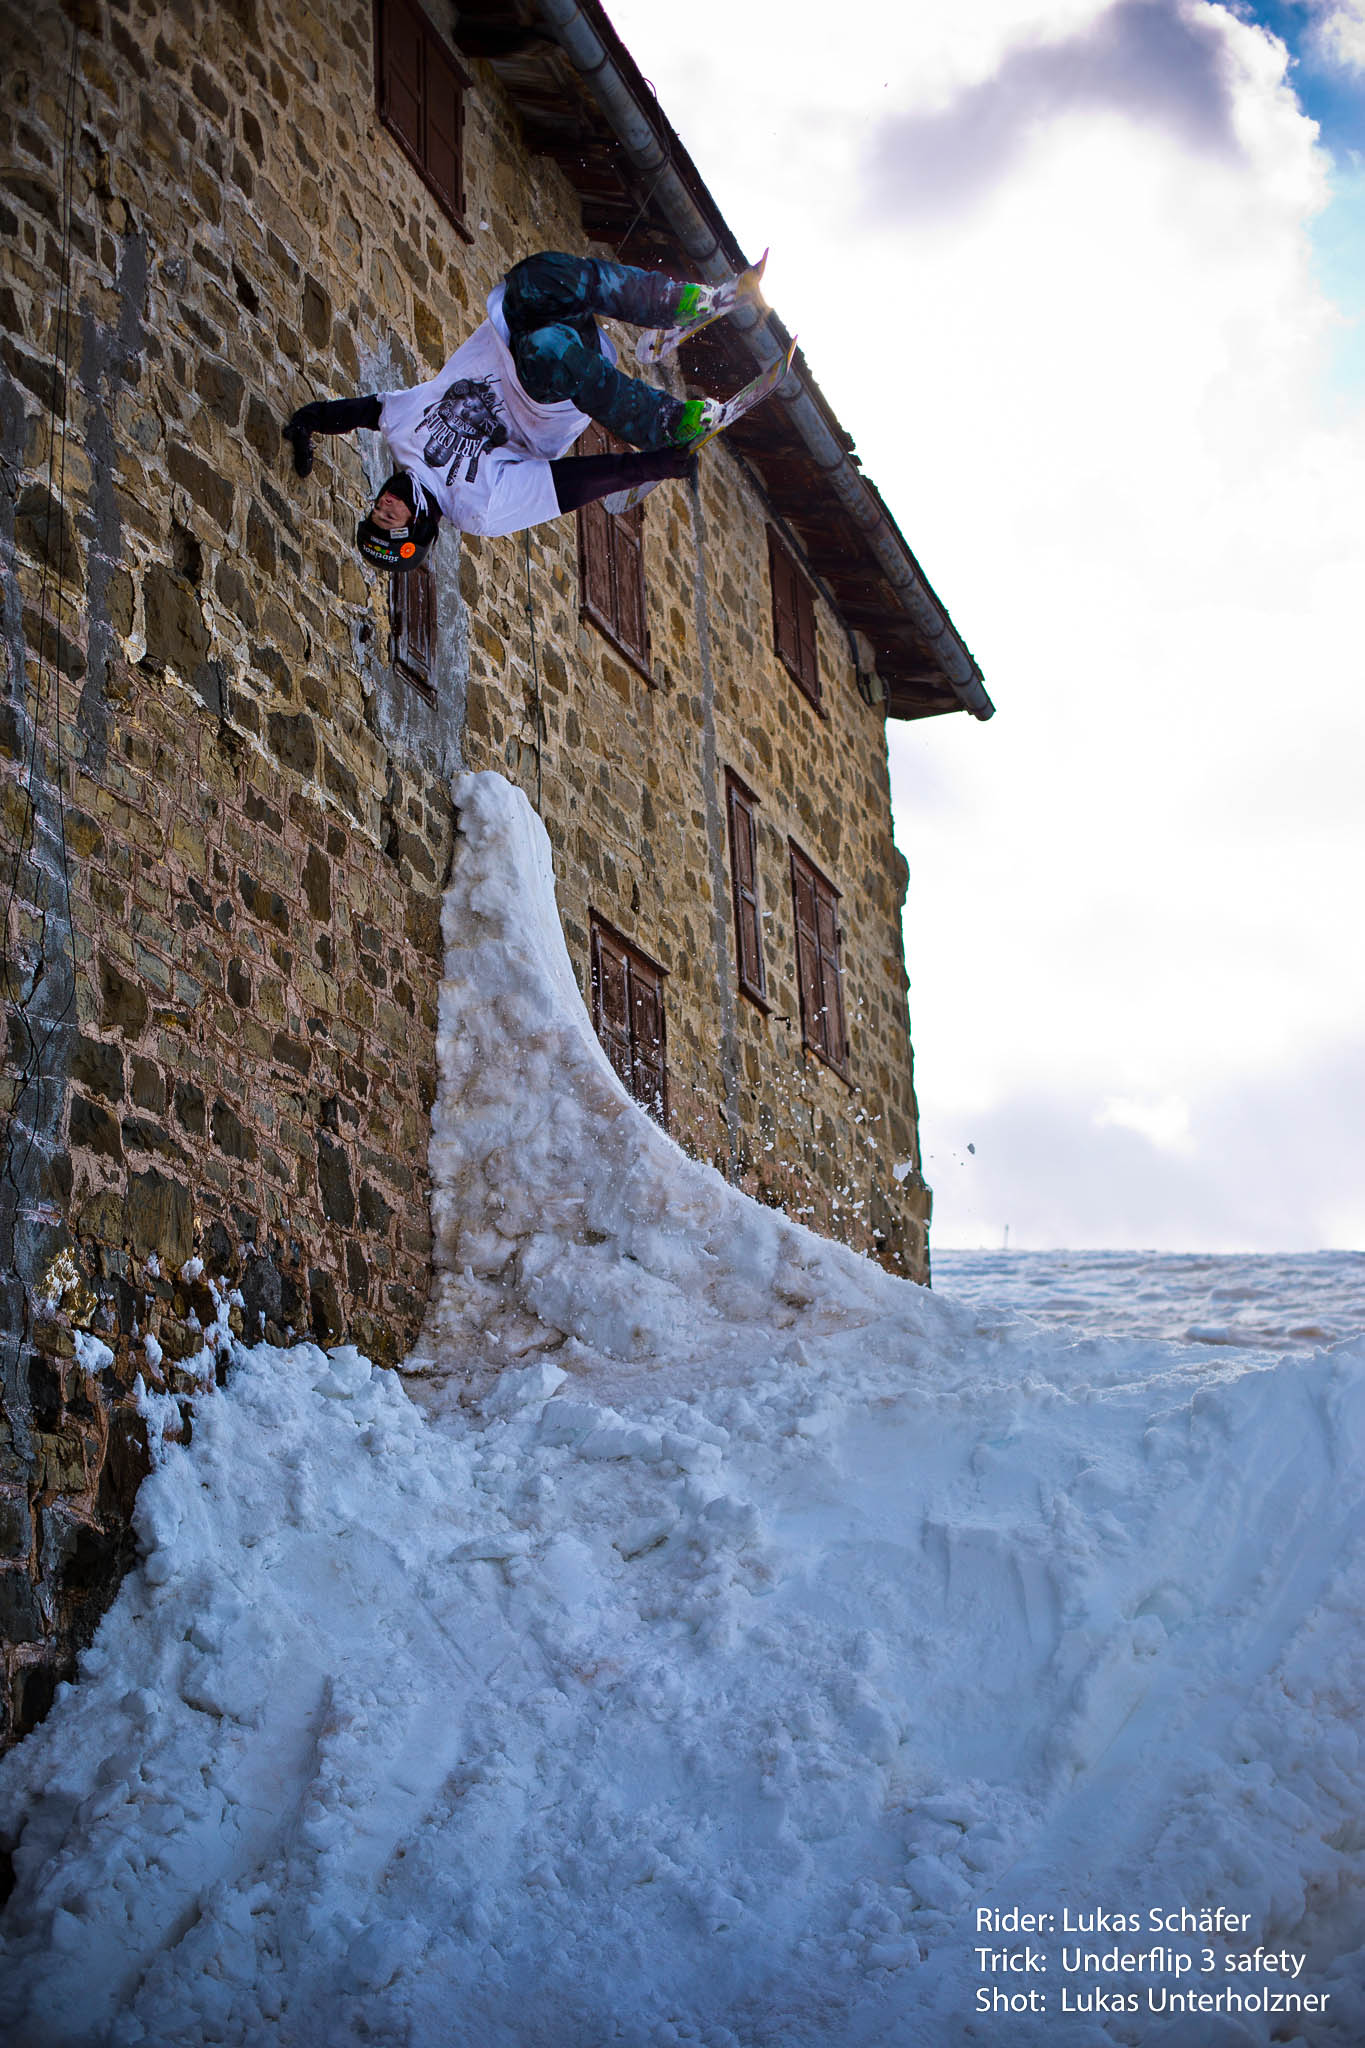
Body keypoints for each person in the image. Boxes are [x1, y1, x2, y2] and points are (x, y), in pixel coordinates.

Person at [283, 251, 746, 573]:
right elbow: (566, 485)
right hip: (550, 395)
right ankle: (661, 421)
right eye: (391, 518)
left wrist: (306, 422)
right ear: (417, 525)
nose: (385, 504)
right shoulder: (476, 508)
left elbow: (359, 411)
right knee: (545, 350)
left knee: (536, 276)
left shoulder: (401, 430)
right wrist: (648, 464)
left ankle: (671, 302)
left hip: (518, 332)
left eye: (377, 511)